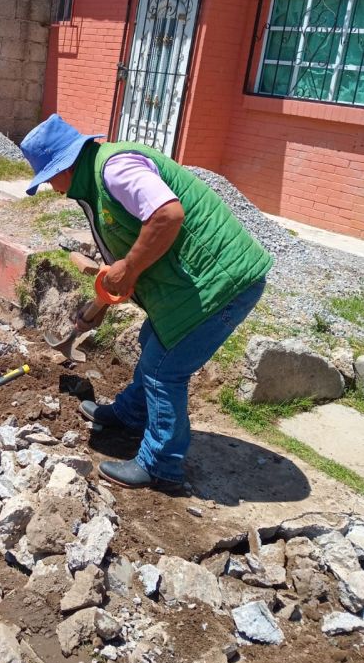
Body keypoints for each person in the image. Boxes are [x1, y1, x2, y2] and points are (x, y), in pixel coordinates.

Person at [20, 114, 272, 492]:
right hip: (192, 286)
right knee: (152, 340)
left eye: (51, 178)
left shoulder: (116, 169)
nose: (54, 189)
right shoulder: (97, 178)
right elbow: (129, 251)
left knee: (163, 370)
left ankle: (161, 465)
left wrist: (129, 266)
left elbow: (167, 215)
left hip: (221, 283)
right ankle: (131, 414)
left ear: (65, 165)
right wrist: (107, 294)